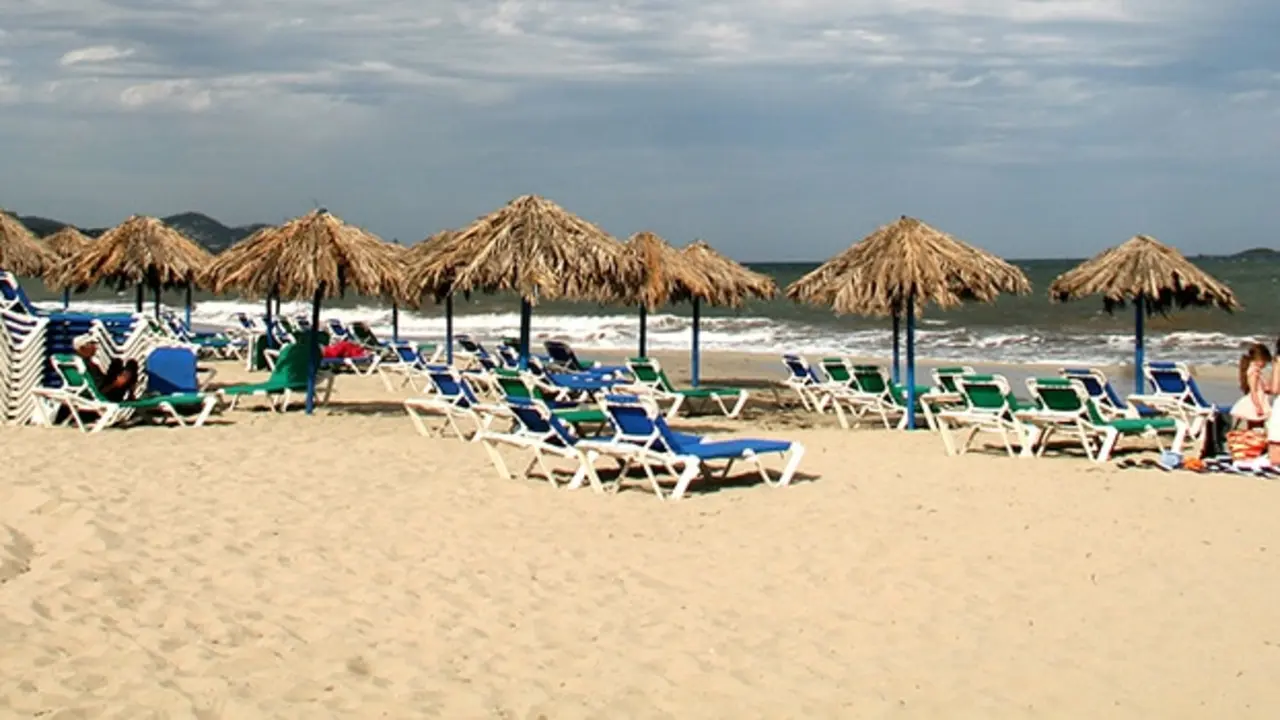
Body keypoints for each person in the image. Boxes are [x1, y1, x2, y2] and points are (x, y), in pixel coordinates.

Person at [72, 333, 139, 402]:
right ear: (83, 348)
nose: (95, 347)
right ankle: (131, 395)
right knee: (132, 364)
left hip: (92, 392)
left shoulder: (74, 363)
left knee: (117, 362)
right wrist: (116, 383)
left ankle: (131, 394)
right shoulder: (88, 367)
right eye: (92, 345)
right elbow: (100, 391)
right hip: (107, 395)